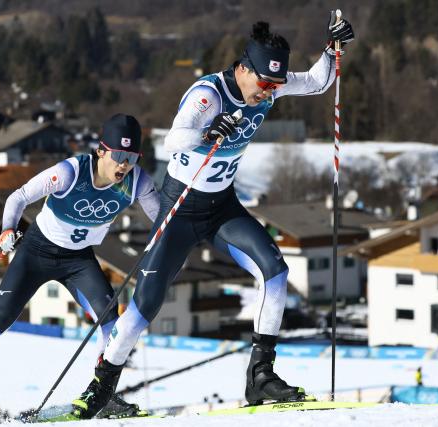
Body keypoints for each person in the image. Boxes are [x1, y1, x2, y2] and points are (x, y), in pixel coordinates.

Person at [70, 12, 355, 419]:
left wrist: (333, 49)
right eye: (263, 84)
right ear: (244, 68)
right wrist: (207, 132)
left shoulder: (269, 85)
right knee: (145, 305)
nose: (269, 93)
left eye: (276, 85)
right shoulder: (208, 95)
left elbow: (316, 81)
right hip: (179, 209)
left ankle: (261, 375)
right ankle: (100, 388)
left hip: (221, 207)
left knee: (275, 270)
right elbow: (173, 139)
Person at [0, 114, 160, 416]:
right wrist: (7, 229)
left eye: (132, 157)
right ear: (101, 151)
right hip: (36, 253)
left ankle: (103, 393)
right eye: (119, 156)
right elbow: (18, 198)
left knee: (110, 321)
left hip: (79, 260)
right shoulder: (69, 173)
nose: (124, 165)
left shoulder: (138, 183)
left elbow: (162, 221)